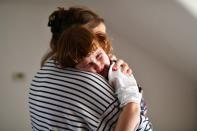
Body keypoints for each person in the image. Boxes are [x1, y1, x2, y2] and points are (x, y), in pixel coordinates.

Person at [29, 6, 151, 131]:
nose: (98, 65)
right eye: (87, 62)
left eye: (102, 38)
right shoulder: (83, 80)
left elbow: (133, 104)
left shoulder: (41, 77)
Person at [54, 25, 153, 130]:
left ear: (104, 47)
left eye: (98, 56)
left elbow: (132, 108)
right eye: (88, 64)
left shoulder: (116, 71)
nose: (98, 65)